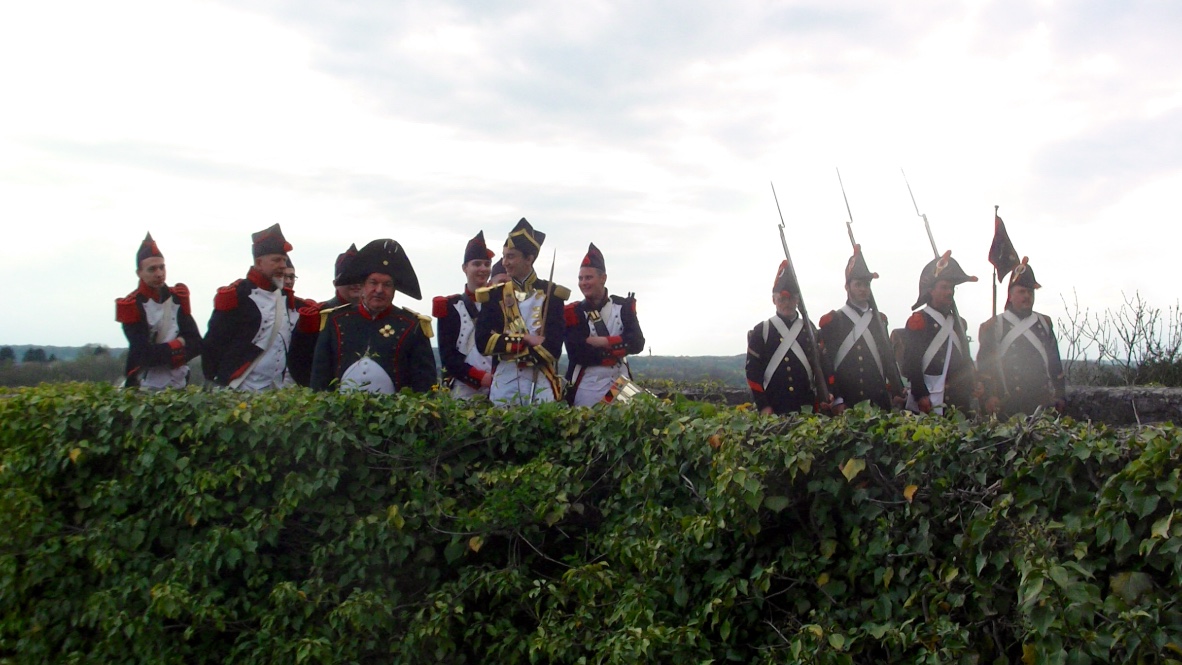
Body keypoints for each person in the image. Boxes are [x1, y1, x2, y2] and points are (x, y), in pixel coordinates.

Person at [309, 238, 437, 393]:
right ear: (362, 286)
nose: (379, 290)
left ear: (395, 290)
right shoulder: (335, 320)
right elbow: (319, 379)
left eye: (387, 284)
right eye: (373, 282)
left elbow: (424, 384)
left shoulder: (412, 325)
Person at [474, 218, 568, 406]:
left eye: (511, 256)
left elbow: (553, 349)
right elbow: (483, 343)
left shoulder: (552, 294)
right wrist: (525, 339)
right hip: (504, 383)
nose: (505, 263)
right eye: (504, 256)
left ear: (529, 259)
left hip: (541, 381)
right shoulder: (493, 296)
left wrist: (506, 342)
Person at [202, 224, 304, 391]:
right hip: (238, 389)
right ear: (259, 262)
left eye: (284, 261)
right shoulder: (237, 295)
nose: (282, 266)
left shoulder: (286, 298)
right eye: (276, 260)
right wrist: (214, 380)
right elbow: (213, 344)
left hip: (275, 392)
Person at [977, 259, 1066, 417]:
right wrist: (989, 396)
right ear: (1010, 296)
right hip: (1008, 404)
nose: (1027, 296)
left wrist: (1059, 394)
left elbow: (1055, 363)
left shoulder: (1044, 323)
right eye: (1022, 292)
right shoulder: (995, 325)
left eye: (1030, 292)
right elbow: (985, 366)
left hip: (1041, 402)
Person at [115, 232, 202, 388]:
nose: (159, 274)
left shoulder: (177, 298)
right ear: (139, 273)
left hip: (179, 382)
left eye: (162, 267)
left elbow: (196, 343)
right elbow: (144, 354)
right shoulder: (131, 305)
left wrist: (163, 351)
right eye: (152, 269)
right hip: (145, 384)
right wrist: (180, 343)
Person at [746, 260, 832, 415]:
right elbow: (753, 372)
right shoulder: (762, 331)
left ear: (797, 300)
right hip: (776, 407)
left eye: (791, 299)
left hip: (807, 407)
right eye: (782, 299)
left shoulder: (809, 329)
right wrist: (763, 405)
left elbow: (822, 366)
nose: (787, 303)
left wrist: (827, 395)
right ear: (774, 300)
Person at [563, 243, 645, 406]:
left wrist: (604, 342)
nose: (583, 283)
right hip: (587, 387)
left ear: (603, 278)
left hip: (621, 384)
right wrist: (619, 345)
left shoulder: (623, 307)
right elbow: (577, 353)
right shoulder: (573, 312)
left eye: (589, 277)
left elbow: (637, 343)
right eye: (581, 278)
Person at [818, 246, 896, 412]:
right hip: (848, 401)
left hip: (878, 400)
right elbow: (827, 364)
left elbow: (887, 358)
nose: (863, 289)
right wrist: (837, 399)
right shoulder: (834, 321)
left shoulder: (879, 320)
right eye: (858, 284)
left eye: (866, 284)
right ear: (847, 287)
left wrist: (896, 389)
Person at [902, 251, 979, 414]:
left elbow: (965, 358)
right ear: (931, 291)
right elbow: (912, 364)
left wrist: (974, 382)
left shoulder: (958, 323)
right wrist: (921, 394)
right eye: (944, 287)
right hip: (929, 398)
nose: (949, 292)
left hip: (958, 398)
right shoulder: (919, 321)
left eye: (951, 288)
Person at [434, 231, 496, 399]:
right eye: (477, 264)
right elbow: (448, 357)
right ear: (465, 268)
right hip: (462, 389)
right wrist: (479, 377)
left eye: (487, 264)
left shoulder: (500, 304)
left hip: (498, 389)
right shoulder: (450, 306)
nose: (483, 269)